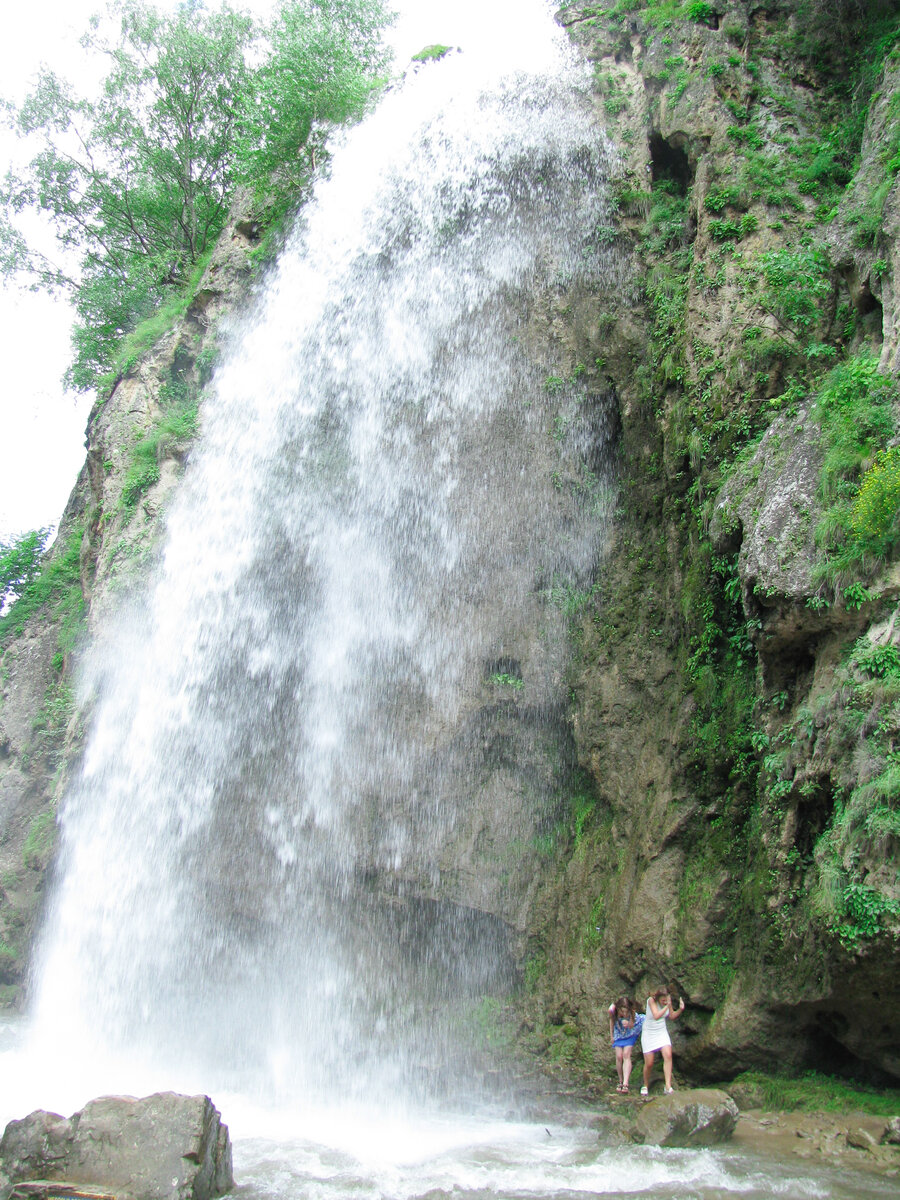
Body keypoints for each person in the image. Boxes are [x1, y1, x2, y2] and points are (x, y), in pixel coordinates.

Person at [640, 985, 685, 1097]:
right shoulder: (651, 1001)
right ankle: (645, 1085)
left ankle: (668, 1086)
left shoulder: (667, 1003)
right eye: (663, 999)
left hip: (661, 1031)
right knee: (649, 1063)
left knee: (668, 1055)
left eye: (667, 998)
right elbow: (656, 1015)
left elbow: (672, 1016)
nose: (665, 1001)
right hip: (649, 1033)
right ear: (658, 997)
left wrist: (680, 1009)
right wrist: (667, 1006)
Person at [608, 995, 643, 1093]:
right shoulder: (612, 1010)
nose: (624, 1013)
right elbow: (611, 1021)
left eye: (625, 1011)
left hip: (630, 1033)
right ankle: (620, 1080)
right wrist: (611, 1036)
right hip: (619, 1032)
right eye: (622, 1011)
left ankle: (625, 1083)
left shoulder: (632, 1013)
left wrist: (629, 1023)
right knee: (619, 1056)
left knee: (626, 1054)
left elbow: (633, 1025)